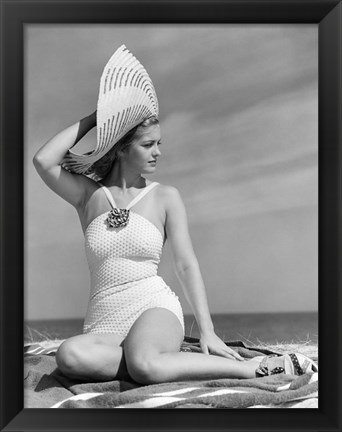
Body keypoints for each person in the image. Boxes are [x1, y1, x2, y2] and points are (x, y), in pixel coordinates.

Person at [33, 46, 318, 384]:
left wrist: (208, 331)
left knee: (144, 364)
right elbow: (44, 160)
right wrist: (100, 117)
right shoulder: (89, 196)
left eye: (159, 143)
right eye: (148, 145)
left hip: (153, 309)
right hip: (103, 322)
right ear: (122, 148)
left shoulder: (165, 197)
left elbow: (186, 264)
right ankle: (161, 361)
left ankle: (247, 370)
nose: (158, 152)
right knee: (70, 355)